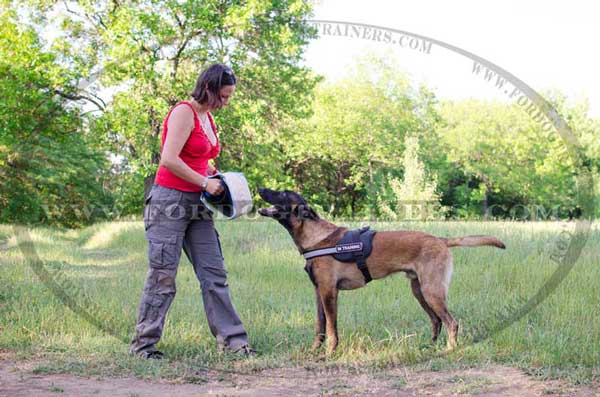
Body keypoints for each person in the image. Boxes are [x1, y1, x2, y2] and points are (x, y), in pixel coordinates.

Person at [130, 63, 254, 359]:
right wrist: (204, 182)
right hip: (169, 203)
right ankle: (143, 346)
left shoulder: (207, 116)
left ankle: (233, 342)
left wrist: (213, 174)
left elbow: (198, 157)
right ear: (208, 89)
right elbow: (169, 159)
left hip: (198, 204)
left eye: (229, 98)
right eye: (222, 97)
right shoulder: (184, 112)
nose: (225, 103)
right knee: (163, 276)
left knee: (214, 273)